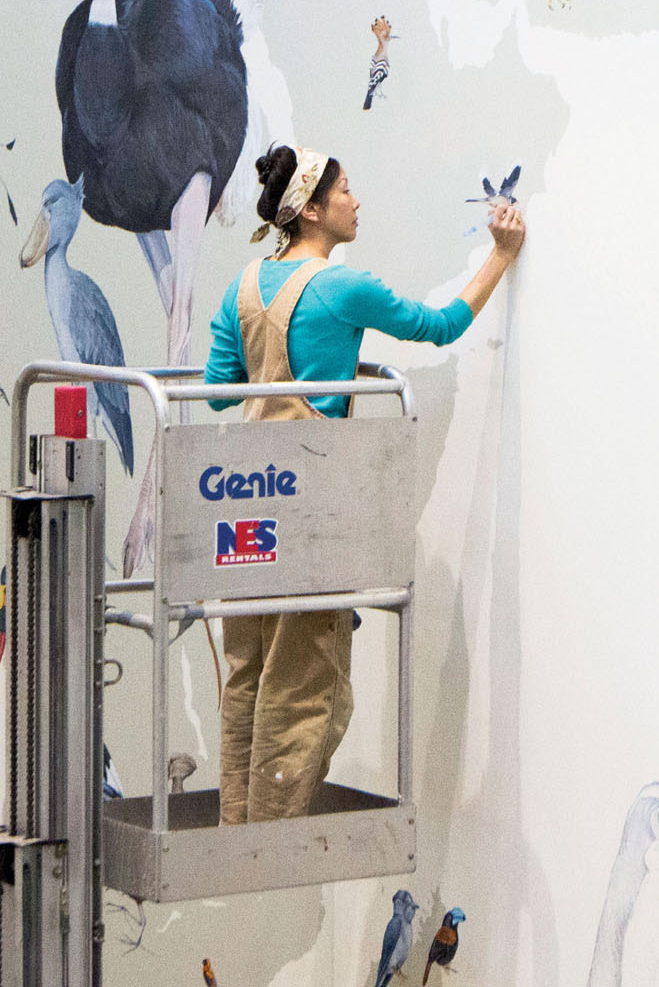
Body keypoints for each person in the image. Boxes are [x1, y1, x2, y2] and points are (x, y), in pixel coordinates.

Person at [204, 144, 524, 824]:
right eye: (345, 190)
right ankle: (270, 836)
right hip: (312, 504)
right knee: (303, 679)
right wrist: (499, 256)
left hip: (245, 505)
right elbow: (437, 328)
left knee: (250, 670)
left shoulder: (242, 285)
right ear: (313, 210)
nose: (356, 201)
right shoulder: (341, 288)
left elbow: (215, 393)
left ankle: (237, 821)